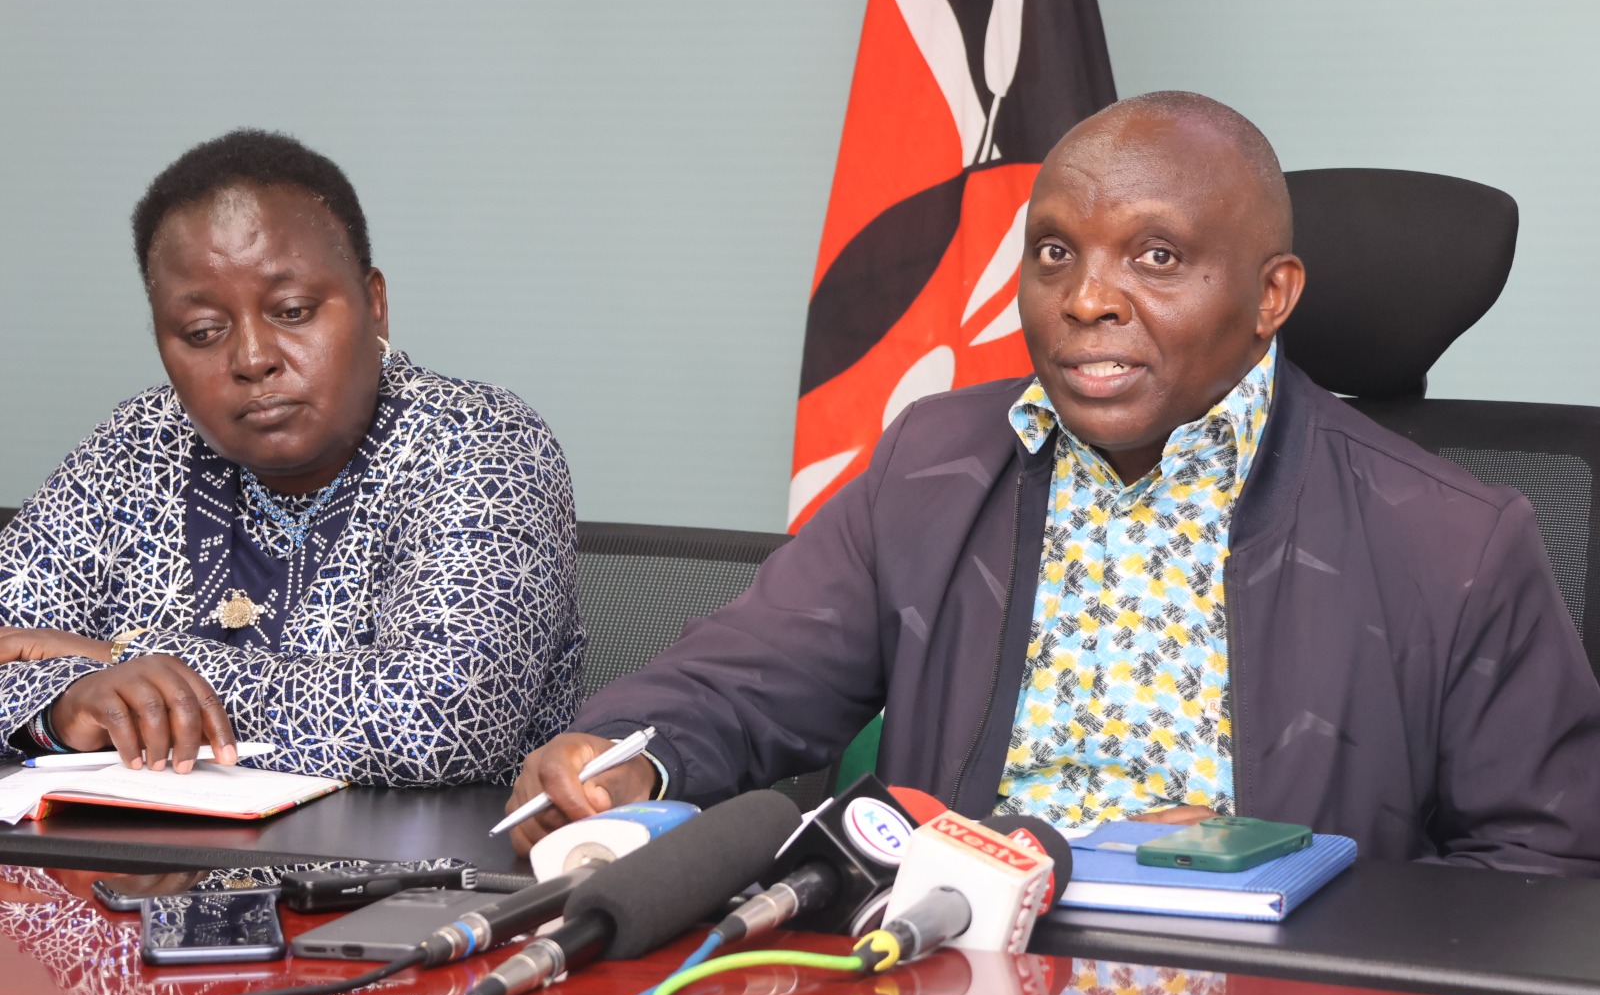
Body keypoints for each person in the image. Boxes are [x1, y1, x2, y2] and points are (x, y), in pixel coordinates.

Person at [506, 91, 1600, 875]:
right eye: (1054, 252)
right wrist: (624, 758)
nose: (1085, 299)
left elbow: (1544, 864)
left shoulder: (1455, 540)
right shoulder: (934, 463)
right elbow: (742, 681)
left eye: (1156, 257)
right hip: (950, 962)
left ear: (1271, 296)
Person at [0, 129, 582, 785]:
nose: (252, 358)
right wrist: (62, 711)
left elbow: (437, 722)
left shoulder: (480, 443)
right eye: (203, 332)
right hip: (125, 849)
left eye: (293, 311)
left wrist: (124, 657)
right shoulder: (136, 444)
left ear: (375, 305)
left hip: (405, 852)